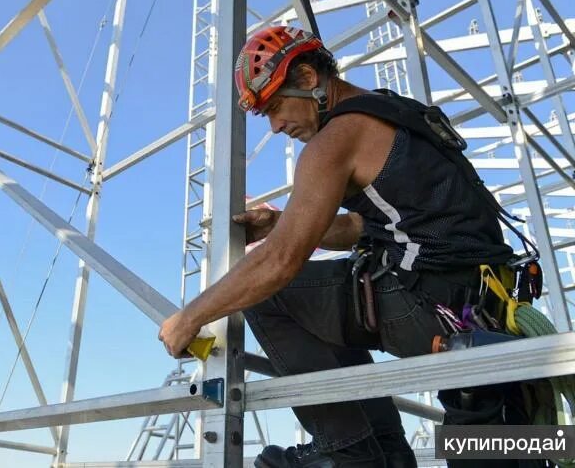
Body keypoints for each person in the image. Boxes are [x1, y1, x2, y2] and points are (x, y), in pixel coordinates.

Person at [158, 26, 524, 467]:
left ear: (309, 78)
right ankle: (379, 450)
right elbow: (364, 225)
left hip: (426, 302)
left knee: (270, 293)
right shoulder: (392, 111)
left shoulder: (336, 138)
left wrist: (190, 317)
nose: (275, 126)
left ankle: (355, 450)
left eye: (275, 107)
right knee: (495, 445)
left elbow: (280, 263)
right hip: (480, 303)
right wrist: (279, 223)